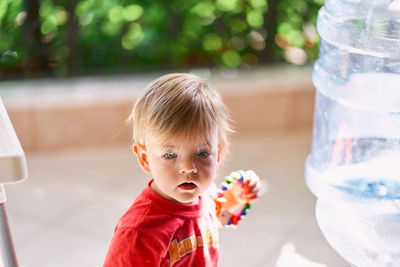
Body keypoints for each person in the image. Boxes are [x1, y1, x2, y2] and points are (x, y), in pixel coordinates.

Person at [103, 73, 261, 267]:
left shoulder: (207, 195)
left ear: (218, 154)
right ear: (145, 158)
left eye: (202, 153)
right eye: (170, 155)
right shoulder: (139, 233)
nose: (188, 168)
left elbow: (216, 216)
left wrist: (237, 197)